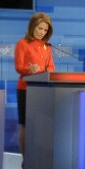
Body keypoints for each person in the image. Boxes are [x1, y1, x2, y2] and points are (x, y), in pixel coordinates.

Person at [14, 12, 54, 159]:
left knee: (41, 125)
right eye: (39, 28)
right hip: (26, 89)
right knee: (26, 125)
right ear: (32, 27)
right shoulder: (22, 43)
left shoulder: (47, 47)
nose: (42, 32)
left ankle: (39, 159)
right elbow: (19, 67)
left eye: (45, 30)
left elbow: (51, 67)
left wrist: (46, 73)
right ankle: (26, 160)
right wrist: (29, 70)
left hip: (43, 89)